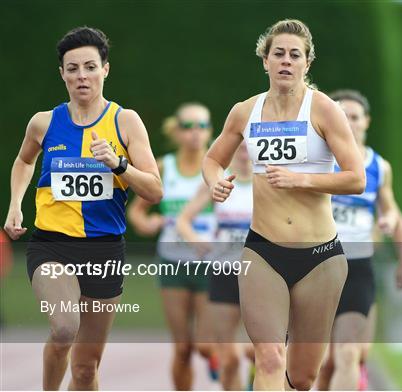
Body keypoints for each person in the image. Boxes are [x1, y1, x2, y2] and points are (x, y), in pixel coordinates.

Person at [202, 19, 365, 390]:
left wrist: (302, 179)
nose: (286, 62)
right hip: (263, 251)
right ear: (265, 61)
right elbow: (212, 160)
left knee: (305, 376)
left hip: (320, 256)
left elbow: (356, 178)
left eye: (295, 55)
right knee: (271, 356)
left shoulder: (324, 110)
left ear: (307, 63)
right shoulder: (245, 111)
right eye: (279, 54)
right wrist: (216, 183)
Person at [2, 27, 162, 390]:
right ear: (62, 74)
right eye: (72, 68)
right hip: (51, 245)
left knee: (87, 369)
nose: (81, 76)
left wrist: (118, 164)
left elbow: (154, 190)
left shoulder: (125, 121)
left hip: (105, 248)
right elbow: (24, 162)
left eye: (90, 66)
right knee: (63, 328)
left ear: (106, 69)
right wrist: (15, 205)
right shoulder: (44, 122)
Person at [316, 89, 402, 390]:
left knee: (349, 354)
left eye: (355, 116)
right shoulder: (317, 160)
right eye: (341, 115)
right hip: (317, 266)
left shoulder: (379, 167)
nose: (349, 122)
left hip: (358, 267)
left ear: (366, 122)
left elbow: (393, 213)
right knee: (322, 362)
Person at [127, 103, 217, 390]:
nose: (195, 133)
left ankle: (219, 362)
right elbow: (137, 211)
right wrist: (146, 223)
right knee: (182, 348)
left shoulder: (216, 169)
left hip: (210, 265)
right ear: (177, 132)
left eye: (201, 126)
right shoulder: (164, 166)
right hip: (172, 263)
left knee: (204, 345)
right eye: (188, 126)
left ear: (210, 132)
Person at [178, 141, 253, 390]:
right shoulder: (218, 181)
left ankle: (258, 375)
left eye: (248, 144)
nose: (243, 149)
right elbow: (184, 220)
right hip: (224, 272)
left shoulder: (269, 180)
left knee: (260, 352)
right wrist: (196, 240)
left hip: (261, 275)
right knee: (228, 358)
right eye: (238, 144)